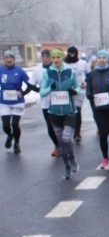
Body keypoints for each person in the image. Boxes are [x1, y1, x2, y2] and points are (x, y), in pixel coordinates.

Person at [40, 49, 81, 179]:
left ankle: (73, 158)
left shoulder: (71, 72)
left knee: (67, 138)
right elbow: (42, 92)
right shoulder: (48, 73)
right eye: (54, 57)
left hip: (69, 111)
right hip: (54, 112)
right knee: (61, 143)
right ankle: (67, 167)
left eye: (58, 57)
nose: (56, 60)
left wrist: (74, 91)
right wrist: (49, 89)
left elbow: (78, 86)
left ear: (62, 58)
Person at [86, 50, 109, 168]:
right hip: (99, 108)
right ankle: (105, 158)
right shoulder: (92, 74)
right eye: (99, 57)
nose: (101, 59)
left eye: (104, 57)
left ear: (107, 59)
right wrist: (89, 96)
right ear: (96, 60)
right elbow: (89, 90)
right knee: (103, 133)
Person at [1, 50, 35, 154]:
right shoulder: (0, 70)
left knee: (15, 124)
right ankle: (10, 135)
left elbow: (30, 84)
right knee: (6, 125)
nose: (8, 59)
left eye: (10, 57)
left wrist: (23, 93)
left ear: (14, 60)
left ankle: (16, 143)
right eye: (6, 57)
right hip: (4, 101)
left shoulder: (20, 71)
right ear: (4, 59)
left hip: (17, 101)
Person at [29, 49, 62, 156]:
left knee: (60, 124)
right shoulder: (37, 70)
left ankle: (65, 144)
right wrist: (40, 90)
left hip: (60, 101)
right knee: (50, 125)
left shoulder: (59, 68)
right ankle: (57, 146)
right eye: (44, 56)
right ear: (41, 58)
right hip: (46, 103)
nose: (46, 58)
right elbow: (31, 84)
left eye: (49, 56)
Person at [64, 46, 89, 144]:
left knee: (77, 111)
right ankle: (67, 131)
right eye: (70, 53)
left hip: (79, 91)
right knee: (68, 112)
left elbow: (88, 75)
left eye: (74, 53)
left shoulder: (83, 63)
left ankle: (77, 133)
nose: (72, 55)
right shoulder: (64, 64)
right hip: (67, 91)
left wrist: (86, 82)